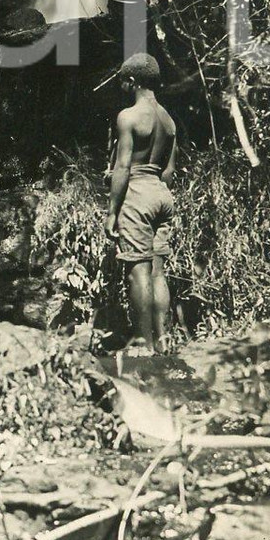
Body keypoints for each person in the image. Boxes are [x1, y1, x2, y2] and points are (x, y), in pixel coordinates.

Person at [106, 53, 177, 355]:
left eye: (123, 81)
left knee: (138, 270)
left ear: (132, 81)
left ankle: (142, 342)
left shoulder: (129, 116)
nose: (122, 86)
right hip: (161, 193)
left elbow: (122, 167)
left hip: (137, 191)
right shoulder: (169, 121)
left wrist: (112, 211)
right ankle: (162, 341)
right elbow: (170, 171)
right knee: (158, 272)